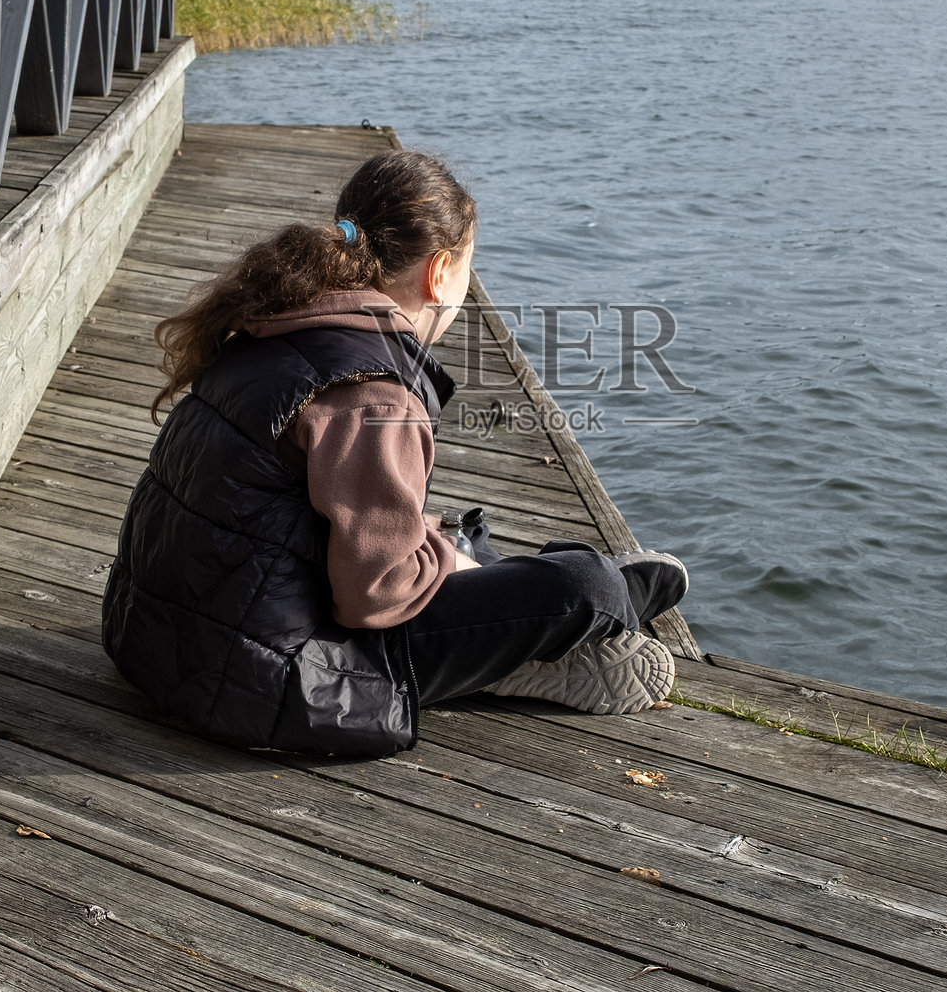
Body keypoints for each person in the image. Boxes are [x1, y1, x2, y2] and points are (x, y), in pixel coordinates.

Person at [101, 150, 687, 757]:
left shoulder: (272, 321)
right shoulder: (374, 391)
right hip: (274, 679)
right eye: (467, 271)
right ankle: (569, 624)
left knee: (457, 535)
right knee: (584, 586)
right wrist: (456, 569)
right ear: (439, 273)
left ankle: (506, 620)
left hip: (159, 639)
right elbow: (376, 595)